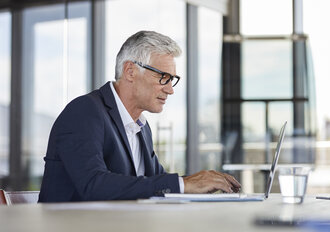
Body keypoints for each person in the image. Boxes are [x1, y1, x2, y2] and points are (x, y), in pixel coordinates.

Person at [38, 31, 240, 202]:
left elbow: (154, 182)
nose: (170, 90)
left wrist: (202, 184)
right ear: (130, 71)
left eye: (172, 80)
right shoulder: (84, 112)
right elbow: (94, 185)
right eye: (163, 77)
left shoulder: (141, 127)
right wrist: (184, 184)